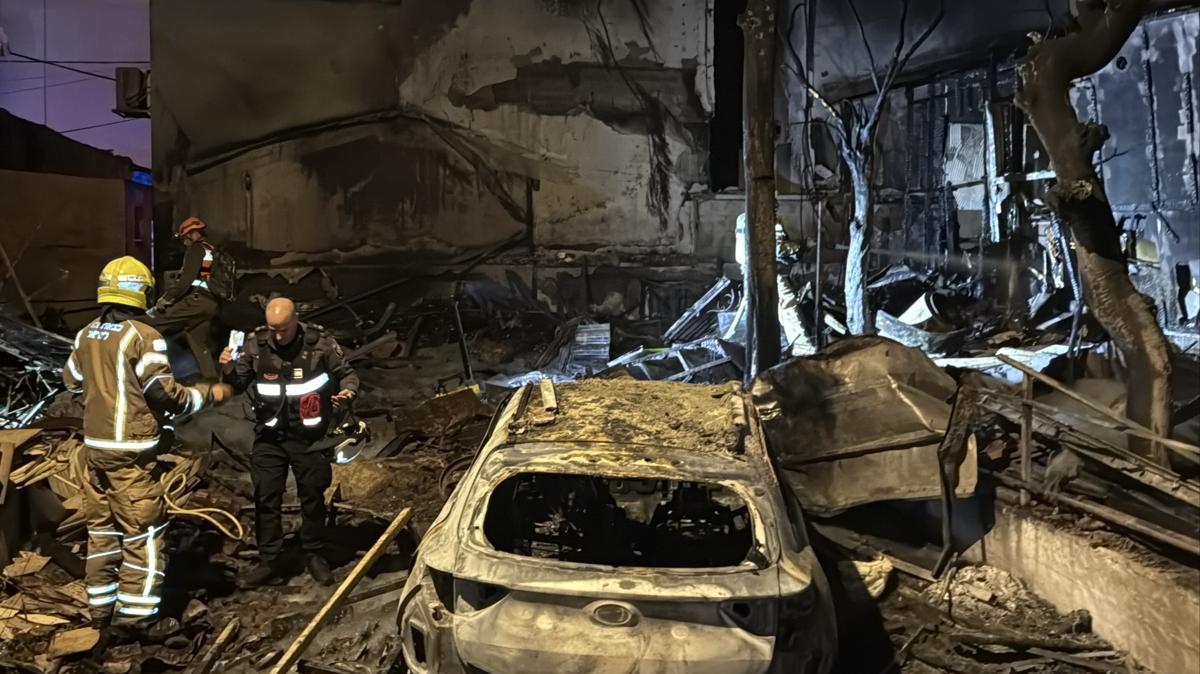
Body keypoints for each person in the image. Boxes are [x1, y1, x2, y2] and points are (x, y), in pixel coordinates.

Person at [63, 256, 232, 641]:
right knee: (144, 535)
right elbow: (165, 394)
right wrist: (207, 394)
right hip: (130, 454)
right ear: (141, 292)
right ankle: (138, 619)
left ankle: (100, 613)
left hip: (94, 450)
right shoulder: (144, 336)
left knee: (102, 532)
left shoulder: (86, 334)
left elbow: (72, 381)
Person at [219, 297, 359, 586]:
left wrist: (347, 394)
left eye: (283, 329)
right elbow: (239, 384)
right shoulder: (256, 344)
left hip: (310, 436)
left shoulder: (319, 343)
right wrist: (229, 368)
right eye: (274, 330)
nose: (278, 336)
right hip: (270, 436)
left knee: (312, 494)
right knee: (266, 495)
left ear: (296, 321)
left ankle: (314, 553)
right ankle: (270, 559)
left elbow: (347, 374)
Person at [145, 217, 225, 381]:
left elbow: (185, 282)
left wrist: (165, 299)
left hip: (196, 301)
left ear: (192, 234)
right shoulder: (212, 250)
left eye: (184, 238)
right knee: (197, 340)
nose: (184, 242)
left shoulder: (195, 250)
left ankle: (147, 370)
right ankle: (212, 382)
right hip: (211, 303)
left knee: (154, 321)